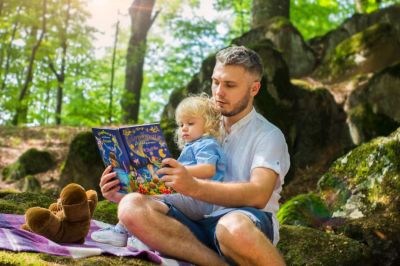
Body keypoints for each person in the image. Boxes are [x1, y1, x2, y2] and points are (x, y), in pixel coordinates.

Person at [100, 46, 290, 265]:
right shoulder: (201, 124)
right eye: (216, 82)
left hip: (244, 223)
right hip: (194, 223)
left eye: (230, 85)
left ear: (254, 88)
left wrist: (192, 186)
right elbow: (177, 187)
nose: (219, 92)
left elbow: (258, 194)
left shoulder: (269, 135)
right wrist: (124, 187)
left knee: (233, 228)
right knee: (130, 206)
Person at [92, 94, 226, 247]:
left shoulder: (207, 144)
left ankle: (127, 233)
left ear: (208, 124)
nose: (184, 128)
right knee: (143, 197)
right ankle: (133, 233)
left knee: (147, 199)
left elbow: (208, 169)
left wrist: (179, 170)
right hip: (188, 196)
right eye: (181, 124)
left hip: (199, 200)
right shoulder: (194, 145)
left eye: (190, 123)